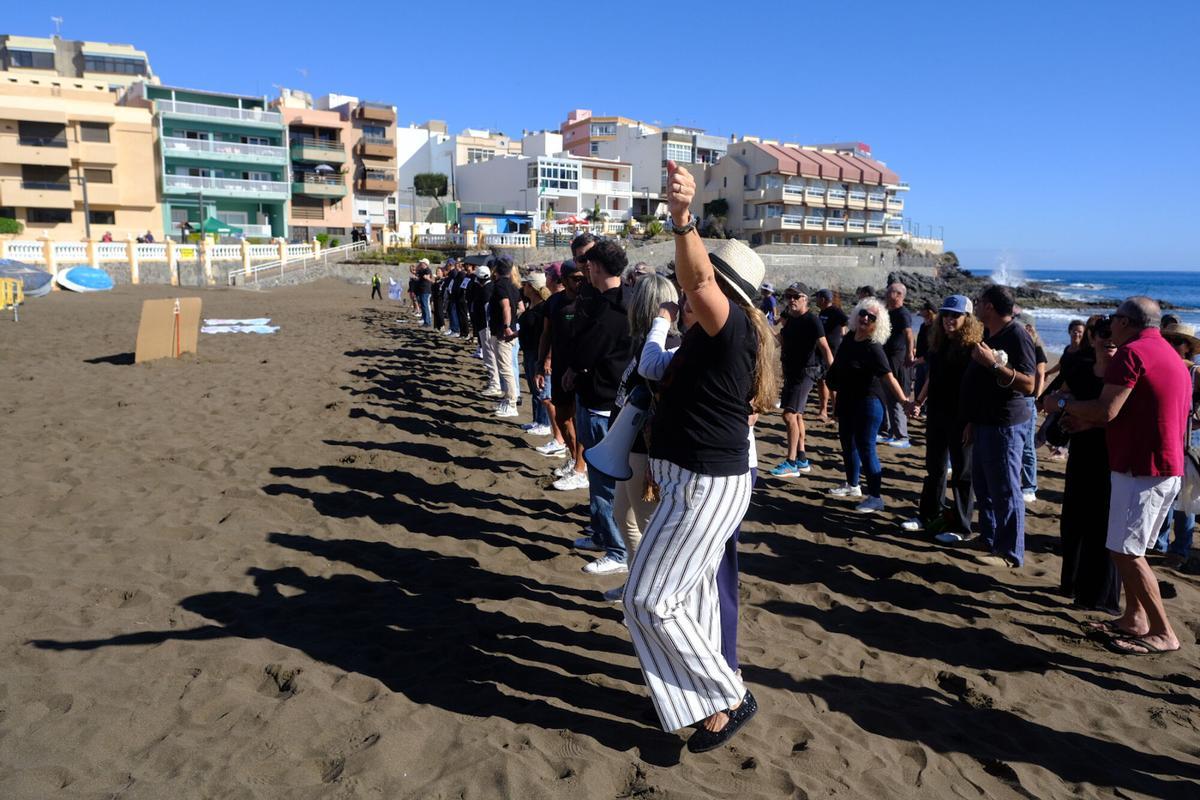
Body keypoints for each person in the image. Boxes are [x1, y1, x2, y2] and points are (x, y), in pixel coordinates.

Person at [624, 161, 778, 753]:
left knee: (647, 598)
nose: (688, 295)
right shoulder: (708, 338)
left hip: (705, 486)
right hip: (693, 481)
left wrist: (684, 219)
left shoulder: (729, 327)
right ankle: (707, 701)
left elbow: (699, 280)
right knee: (693, 598)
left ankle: (729, 696)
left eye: (700, 290)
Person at [1055, 297, 1188, 655]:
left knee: (1126, 551)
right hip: (1163, 466)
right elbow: (1141, 410)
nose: (1109, 325)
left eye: (1114, 318)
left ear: (1126, 322)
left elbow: (1107, 410)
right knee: (1130, 549)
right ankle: (1135, 617)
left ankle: (1163, 631)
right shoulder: (1168, 353)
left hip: (1141, 467)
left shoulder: (1131, 353)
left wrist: (1062, 403)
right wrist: (1090, 422)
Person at [603, 273, 682, 601]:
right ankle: (635, 582)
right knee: (623, 515)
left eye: (637, 297)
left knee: (647, 526)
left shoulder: (669, 346)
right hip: (630, 445)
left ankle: (646, 595)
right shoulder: (646, 343)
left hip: (646, 451)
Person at [1039, 316, 1121, 612]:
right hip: (1082, 454)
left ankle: (1101, 599)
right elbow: (1049, 401)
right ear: (1091, 337)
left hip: (1113, 458)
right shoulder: (1081, 368)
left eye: (1114, 334)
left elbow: (1122, 416)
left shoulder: (1124, 373)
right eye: (1102, 333)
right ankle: (1071, 585)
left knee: (1103, 527)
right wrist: (1064, 406)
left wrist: (1086, 418)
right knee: (1074, 522)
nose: (1109, 339)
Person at [564, 239, 631, 575]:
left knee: (604, 481)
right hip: (606, 399)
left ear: (597, 268)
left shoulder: (611, 309)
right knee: (599, 477)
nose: (585, 271)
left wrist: (574, 368)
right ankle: (602, 534)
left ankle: (617, 550)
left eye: (588, 266)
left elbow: (587, 349)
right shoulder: (625, 299)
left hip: (602, 403)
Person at [963, 285, 1037, 568]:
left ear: (990, 306)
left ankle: (1010, 552)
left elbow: (1029, 385)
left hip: (1006, 423)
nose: (976, 306)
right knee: (984, 485)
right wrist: (973, 420)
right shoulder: (989, 333)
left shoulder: (1017, 334)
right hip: (984, 421)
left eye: (979, 301)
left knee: (1006, 488)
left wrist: (994, 365)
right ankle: (990, 538)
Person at [902, 295, 981, 537]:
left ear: (967, 318)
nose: (949, 319)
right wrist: (919, 401)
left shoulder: (974, 348)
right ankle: (928, 515)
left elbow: (979, 388)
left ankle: (962, 527)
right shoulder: (938, 343)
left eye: (955, 315)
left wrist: (972, 421)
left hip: (962, 417)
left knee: (962, 473)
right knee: (934, 468)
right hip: (937, 412)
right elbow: (932, 377)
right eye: (946, 314)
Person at [824, 297, 911, 512]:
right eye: (863, 313)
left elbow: (888, 377)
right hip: (847, 399)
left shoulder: (874, 347)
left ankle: (875, 497)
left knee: (866, 448)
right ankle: (853, 485)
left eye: (871, 317)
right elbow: (839, 363)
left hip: (869, 403)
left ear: (877, 323)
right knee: (847, 443)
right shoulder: (850, 337)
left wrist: (904, 401)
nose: (865, 318)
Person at [769, 284, 833, 477]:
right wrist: (762, 327)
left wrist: (835, 373)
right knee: (797, 416)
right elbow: (779, 341)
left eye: (796, 296)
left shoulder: (812, 320)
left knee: (789, 415)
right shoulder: (791, 320)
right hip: (791, 373)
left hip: (806, 373)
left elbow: (825, 347)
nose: (791, 300)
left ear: (805, 299)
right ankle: (802, 458)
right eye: (788, 296)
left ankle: (791, 462)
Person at [1153, 321, 1200, 568]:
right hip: (1164, 441)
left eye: (1178, 341)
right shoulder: (1161, 366)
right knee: (1164, 495)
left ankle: (1180, 549)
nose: (1172, 345)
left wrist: (1194, 421)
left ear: (1188, 347)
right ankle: (1159, 544)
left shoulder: (1195, 373)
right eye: (1168, 340)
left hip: (1187, 445)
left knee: (1185, 499)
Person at [1016, 313, 1047, 502]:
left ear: (1029, 328)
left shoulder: (1036, 347)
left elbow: (1040, 374)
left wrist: (1036, 396)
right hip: (1016, 399)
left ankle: (1029, 486)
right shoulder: (1018, 344)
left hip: (1027, 400)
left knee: (1027, 446)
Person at [880, 282, 914, 447]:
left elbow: (909, 334)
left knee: (897, 393)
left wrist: (909, 353)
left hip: (897, 358)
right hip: (888, 356)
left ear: (899, 295)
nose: (887, 294)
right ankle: (892, 432)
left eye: (890, 292)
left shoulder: (903, 313)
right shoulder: (890, 312)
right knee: (887, 394)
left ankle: (902, 436)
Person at [518, 272, 552, 436]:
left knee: (540, 389)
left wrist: (546, 358)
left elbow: (547, 334)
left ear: (531, 287)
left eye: (525, 285)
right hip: (528, 350)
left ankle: (544, 423)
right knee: (533, 388)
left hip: (537, 352)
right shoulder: (531, 305)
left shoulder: (544, 307)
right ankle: (537, 420)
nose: (523, 287)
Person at [487, 259, 521, 417]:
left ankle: (511, 403)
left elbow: (506, 306)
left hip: (503, 332)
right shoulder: (513, 286)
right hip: (508, 330)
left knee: (506, 369)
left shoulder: (500, 285)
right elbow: (521, 308)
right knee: (506, 368)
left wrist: (507, 326)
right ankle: (508, 399)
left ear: (496, 270)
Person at [815, 289, 848, 424]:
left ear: (823, 299)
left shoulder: (835, 311)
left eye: (817, 297)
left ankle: (836, 413)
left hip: (832, 352)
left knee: (832, 382)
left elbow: (846, 322)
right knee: (821, 381)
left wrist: (843, 336)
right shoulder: (822, 312)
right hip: (820, 351)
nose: (815, 300)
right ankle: (823, 411)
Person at [912, 300, 936, 401]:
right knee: (918, 386)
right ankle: (918, 406)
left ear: (929, 311)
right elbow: (921, 342)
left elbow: (934, 346)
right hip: (920, 360)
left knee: (927, 387)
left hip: (929, 360)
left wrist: (924, 358)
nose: (920, 311)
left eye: (923, 309)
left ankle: (923, 407)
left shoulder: (935, 326)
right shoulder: (923, 325)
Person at [416, 259, 434, 327]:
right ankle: (424, 320)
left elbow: (428, 277)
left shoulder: (427, 270)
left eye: (422, 263)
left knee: (425, 306)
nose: (420, 264)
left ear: (425, 264)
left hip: (426, 290)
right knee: (423, 306)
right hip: (421, 290)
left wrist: (426, 277)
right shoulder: (422, 270)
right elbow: (416, 271)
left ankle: (428, 321)